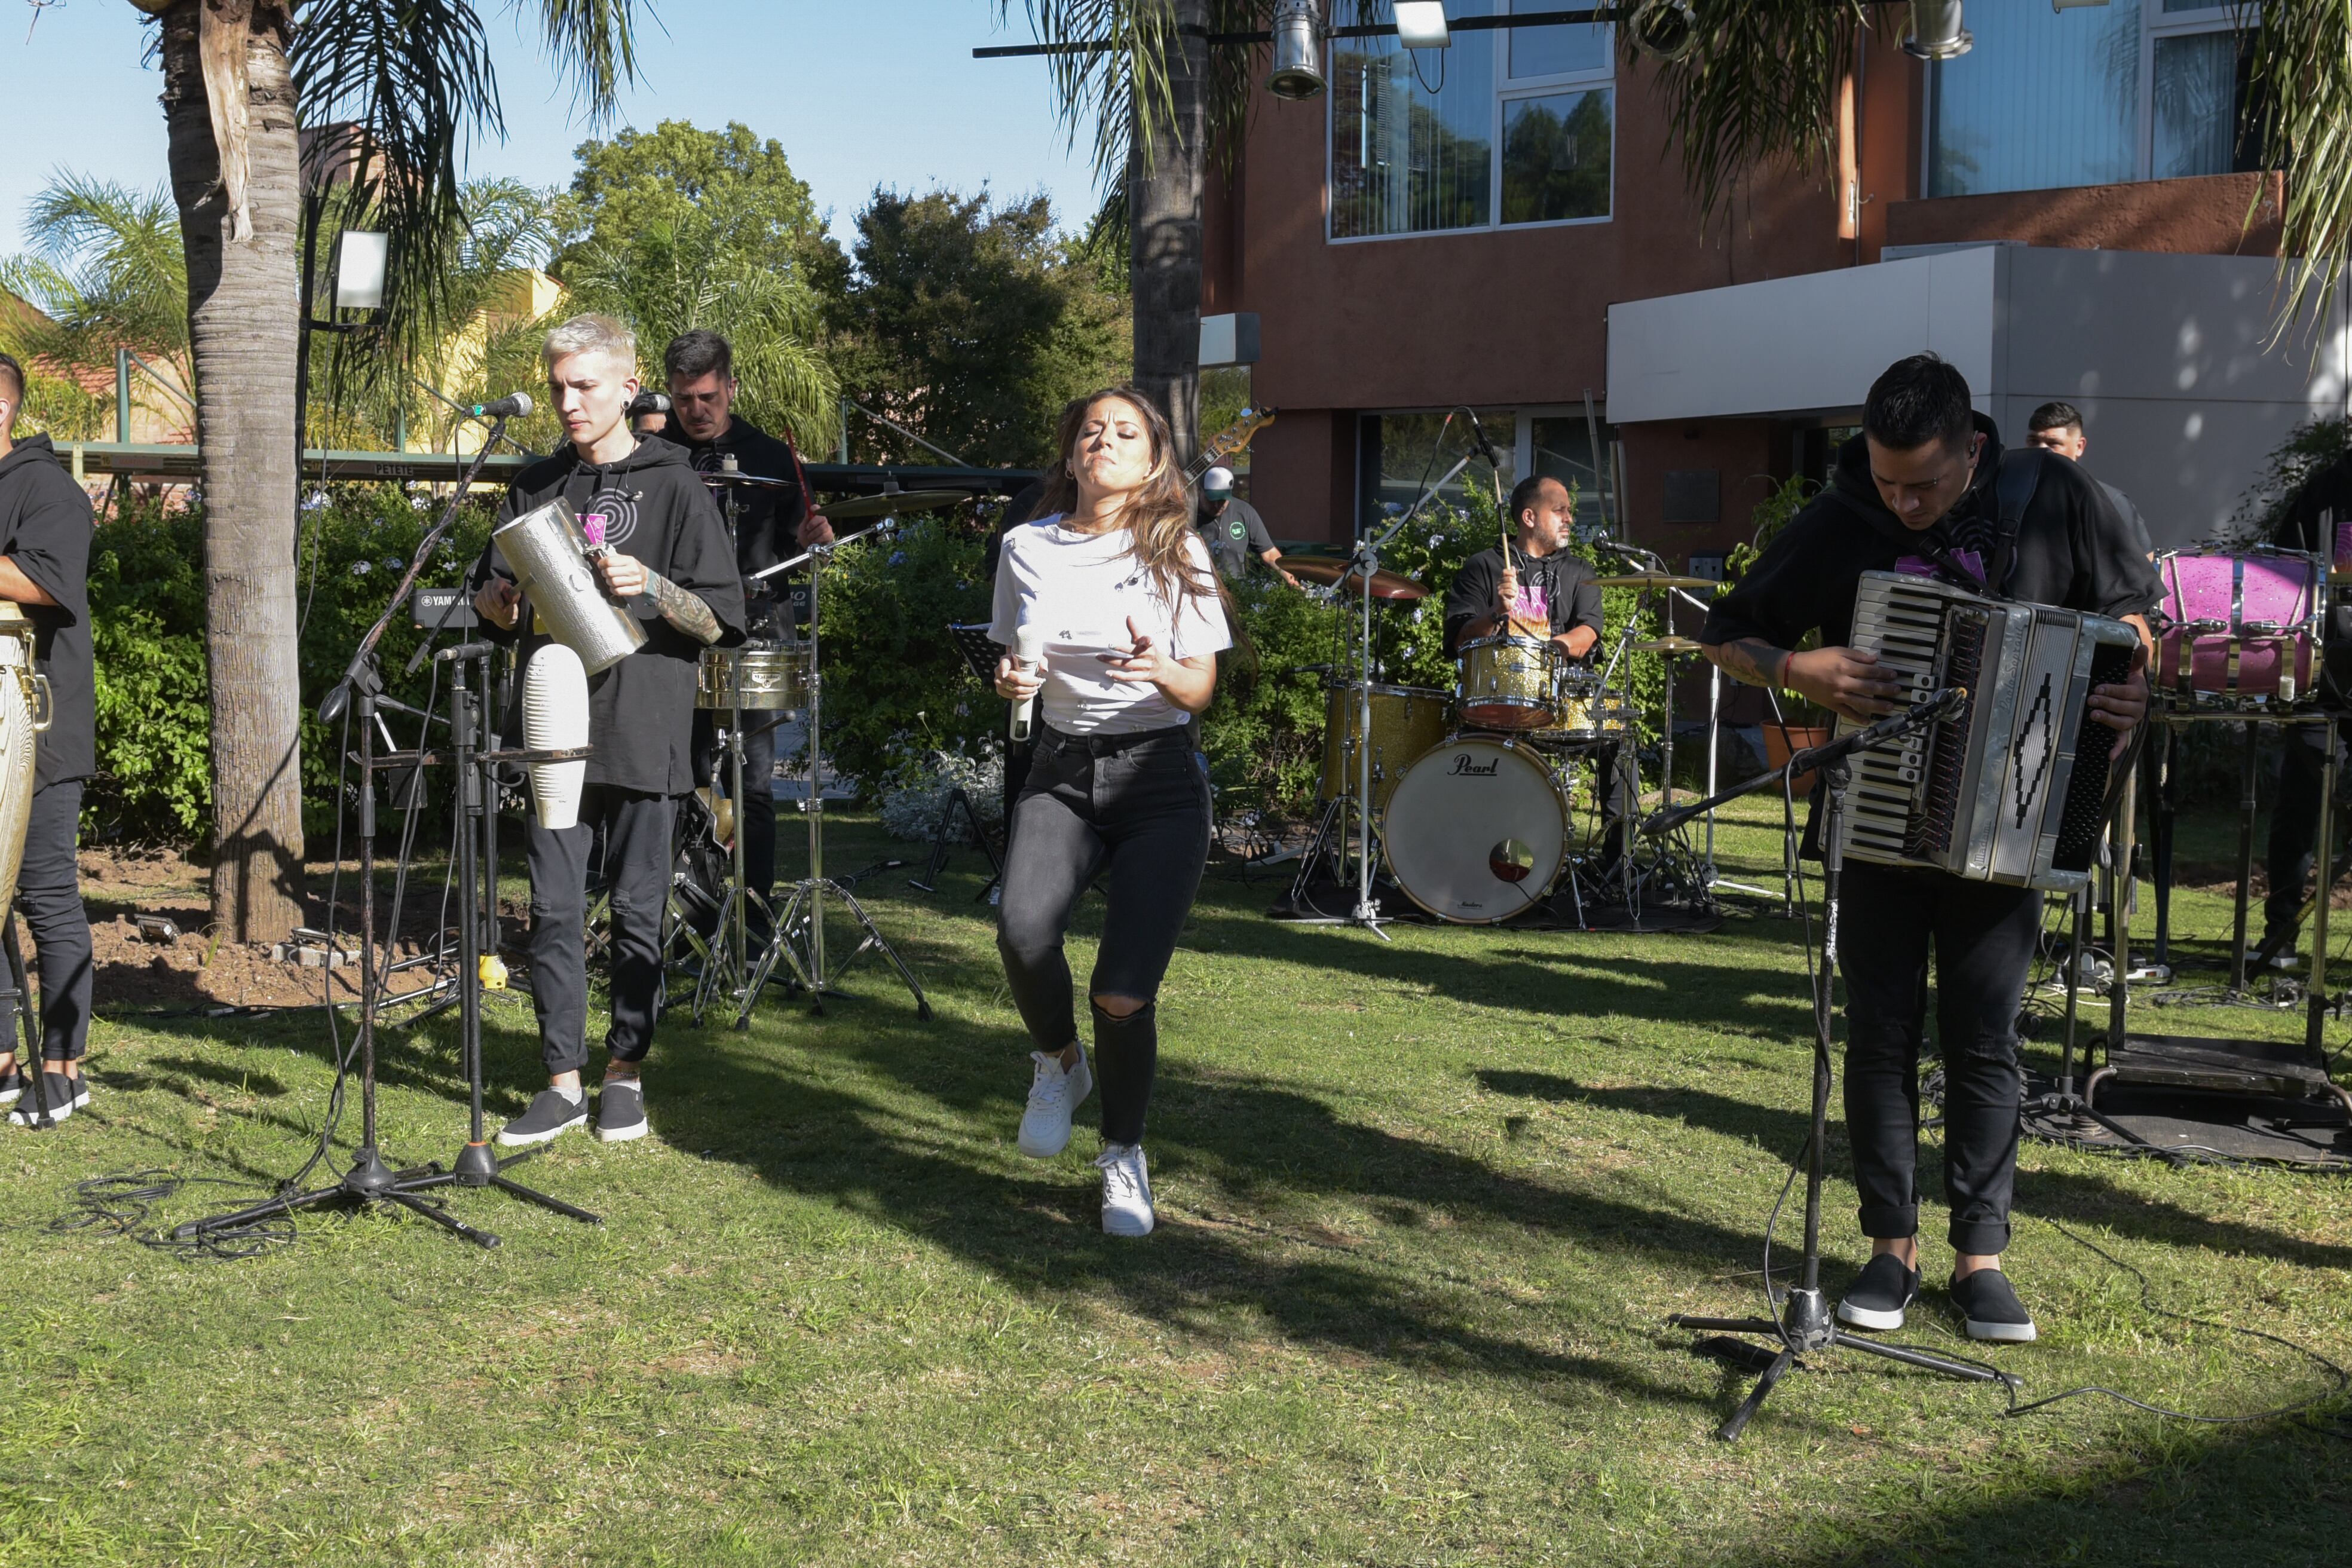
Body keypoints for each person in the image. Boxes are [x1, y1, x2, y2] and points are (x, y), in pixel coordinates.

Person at [1699, 353, 2155, 1344]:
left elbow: (2134, 616)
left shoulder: (2053, 493)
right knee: (1881, 1033)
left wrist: (2130, 678)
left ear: (1972, 449)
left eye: (1925, 483)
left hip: (2015, 810)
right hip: (1878, 820)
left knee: (1985, 1037)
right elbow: (1727, 631)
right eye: (1886, 478)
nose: (1901, 501)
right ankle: (1887, 1247)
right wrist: (1797, 667)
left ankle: (1980, 1260)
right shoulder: (1844, 514)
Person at [470, 315, 747, 1147]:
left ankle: (624, 1071)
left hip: (646, 725)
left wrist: (656, 585)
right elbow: (494, 596)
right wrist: (497, 604)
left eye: (585, 385)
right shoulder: (534, 484)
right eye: (557, 385)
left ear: (628, 388)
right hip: (554, 721)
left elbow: (721, 623)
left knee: (635, 909)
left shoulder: (675, 485)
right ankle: (561, 1082)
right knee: (554, 908)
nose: (567, 401)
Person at [990, 388, 1235, 1237]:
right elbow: (1015, 662)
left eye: (1125, 432)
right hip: (1059, 771)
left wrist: (1163, 669)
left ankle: (1123, 1156)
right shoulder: (1026, 546)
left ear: (1153, 461)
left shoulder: (1180, 552)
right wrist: (1013, 683)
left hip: (1159, 780)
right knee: (1022, 933)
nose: (1105, 440)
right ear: (1071, 455)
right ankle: (1059, 1062)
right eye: (1092, 430)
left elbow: (1201, 686)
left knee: (1123, 994)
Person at [648, 330, 834, 920]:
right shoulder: (651, 456)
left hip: (759, 624)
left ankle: (755, 916)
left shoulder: (772, 456)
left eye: (708, 397)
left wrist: (808, 538)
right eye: (683, 400)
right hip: (674, 631)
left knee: (752, 783)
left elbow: (793, 541)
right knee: (687, 776)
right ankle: (691, 912)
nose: (697, 410)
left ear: (731, 387)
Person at [1443, 473, 1635, 859]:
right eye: (1559, 509)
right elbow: (1459, 639)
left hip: (1561, 693)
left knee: (1620, 735)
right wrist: (1497, 612)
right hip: (1498, 699)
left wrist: (1547, 651)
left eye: (1570, 510)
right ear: (1529, 517)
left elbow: (1589, 633)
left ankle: (1619, 861)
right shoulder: (1485, 567)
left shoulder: (1579, 571)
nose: (1569, 517)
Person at [0, 353, 95, 1128]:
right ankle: (3, 1059)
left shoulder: (48, 489)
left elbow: (50, 584)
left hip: (40, 728)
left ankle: (65, 1069)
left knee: (45, 897)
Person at [2023, 402, 2156, 562]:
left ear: (2079, 447)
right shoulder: (2009, 495)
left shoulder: (2110, 501)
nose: (2041, 450)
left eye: (2054, 444)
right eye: (2033, 440)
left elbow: (2143, 567)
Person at [1196, 466, 1298, 588]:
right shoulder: (1186, 515)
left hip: (1237, 590)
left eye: (1222, 500)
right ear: (1199, 491)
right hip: (1199, 589)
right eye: (1211, 499)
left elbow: (1269, 553)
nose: (1217, 505)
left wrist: (1291, 581)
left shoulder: (1244, 511)